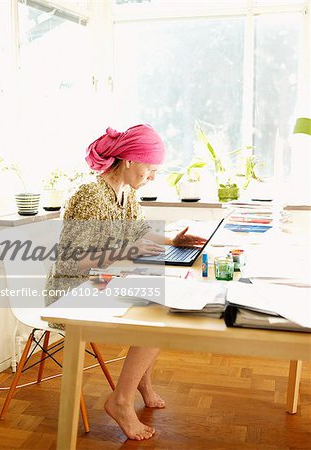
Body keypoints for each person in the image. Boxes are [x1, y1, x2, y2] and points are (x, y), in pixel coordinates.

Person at [46, 124, 206, 440]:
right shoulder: (91, 195)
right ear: (130, 160)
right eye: (150, 168)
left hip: (103, 279)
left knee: (164, 294)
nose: (153, 177)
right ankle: (121, 400)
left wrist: (172, 239)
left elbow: (137, 233)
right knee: (159, 310)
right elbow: (75, 261)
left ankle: (140, 382)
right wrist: (128, 252)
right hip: (72, 289)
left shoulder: (127, 193)